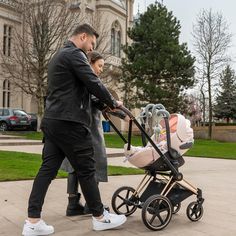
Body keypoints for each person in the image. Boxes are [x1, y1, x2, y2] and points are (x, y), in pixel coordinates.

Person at [22, 24, 126, 236]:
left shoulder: (58, 56)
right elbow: (92, 82)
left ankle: (32, 221)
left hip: (53, 122)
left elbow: (80, 90)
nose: (90, 49)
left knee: (47, 170)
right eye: (91, 44)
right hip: (70, 123)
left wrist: (104, 104)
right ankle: (99, 217)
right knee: (87, 169)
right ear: (83, 36)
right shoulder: (74, 54)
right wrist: (113, 102)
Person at [61, 51, 109, 216]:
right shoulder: (90, 82)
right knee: (94, 164)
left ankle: (73, 204)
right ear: (90, 63)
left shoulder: (77, 80)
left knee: (74, 166)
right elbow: (99, 101)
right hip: (90, 131)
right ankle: (91, 204)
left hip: (74, 129)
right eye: (99, 65)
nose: (101, 69)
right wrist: (122, 112)